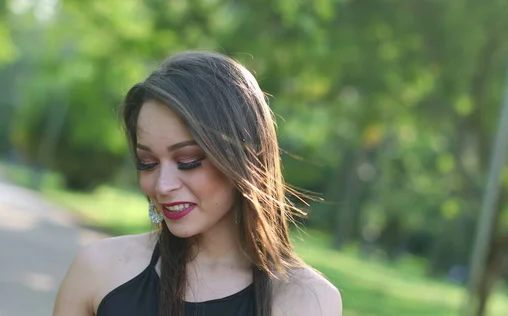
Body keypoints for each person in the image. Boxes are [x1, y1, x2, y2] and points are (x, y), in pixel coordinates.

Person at [52, 51, 342, 316]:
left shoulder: (307, 301)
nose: (163, 185)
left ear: (244, 157)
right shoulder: (99, 270)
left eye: (188, 160)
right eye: (148, 163)